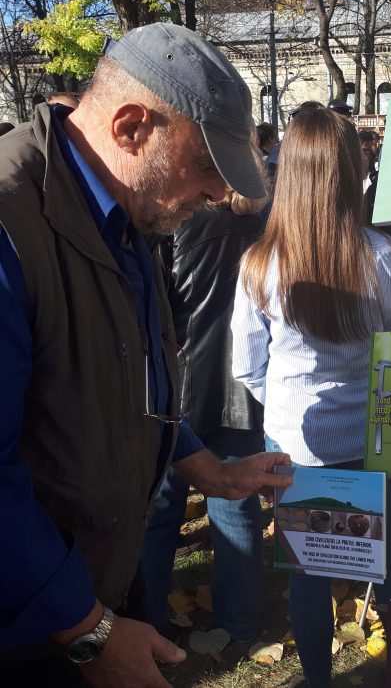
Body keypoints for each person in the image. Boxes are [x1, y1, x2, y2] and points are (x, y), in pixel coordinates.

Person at [0, 22, 291, 688]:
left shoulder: (125, 212)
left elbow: (132, 381)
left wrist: (212, 471)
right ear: (132, 128)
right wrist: (88, 632)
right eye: (207, 168)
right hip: (29, 628)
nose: (217, 195)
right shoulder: (11, 220)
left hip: (93, 584)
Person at [231, 107, 391, 688]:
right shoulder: (382, 256)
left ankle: (317, 679)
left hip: (296, 442)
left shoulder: (260, 265)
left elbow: (246, 367)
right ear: (350, 173)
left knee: (307, 572)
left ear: (287, 172)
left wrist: (284, 408)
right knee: (386, 557)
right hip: (371, 437)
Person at [142, 190, 268, 643]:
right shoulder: (266, 222)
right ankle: (239, 623)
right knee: (237, 507)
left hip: (179, 388)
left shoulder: (176, 220)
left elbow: (152, 307)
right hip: (244, 388)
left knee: (161, 511)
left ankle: (148, 623)